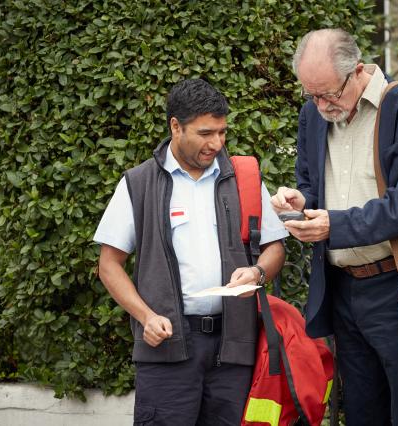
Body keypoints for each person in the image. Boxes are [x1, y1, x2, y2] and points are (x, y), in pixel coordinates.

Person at [271, 29, 398, 425]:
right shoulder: (314, 115)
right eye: (311, 95)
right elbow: (311, 182)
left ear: (356, 72)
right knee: (360, 414)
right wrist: (303, 203)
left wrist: (336, 225)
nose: (320, 104)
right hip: (342, 289)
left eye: (328, 94)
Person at [94, 78, 288, 426]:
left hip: (233, 349)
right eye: (205, 133)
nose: (216, 143)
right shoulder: (138, 184)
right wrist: (145, 317)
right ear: (175, 127)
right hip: (168, 350)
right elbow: (109, 265)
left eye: (222, 132)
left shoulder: (243, 177)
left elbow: (275, 247)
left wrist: (258, 273)